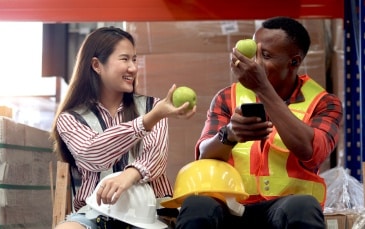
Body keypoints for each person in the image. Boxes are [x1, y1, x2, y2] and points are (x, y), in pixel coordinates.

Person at [175, 16, 343, 229]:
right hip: (232, 206)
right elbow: (204, 155)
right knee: (197, 206)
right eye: (255, 52)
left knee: (304, 206)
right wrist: (229, 134)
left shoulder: (325, 103)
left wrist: (263, 89)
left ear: (294, 62)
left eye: (265, 55)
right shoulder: (227, 97)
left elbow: (311, 152)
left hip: (284, 209)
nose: (256, 62)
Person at [50, 27, 196, 229]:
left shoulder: (153, 106)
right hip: (95, 212)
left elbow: (156, 157)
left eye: (134, 60)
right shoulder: (70, 118)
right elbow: (94, 154)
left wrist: (130, 174)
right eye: (125, 59)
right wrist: (146, 122)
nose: (133, 68)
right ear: (96, 65)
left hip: (150, 213)